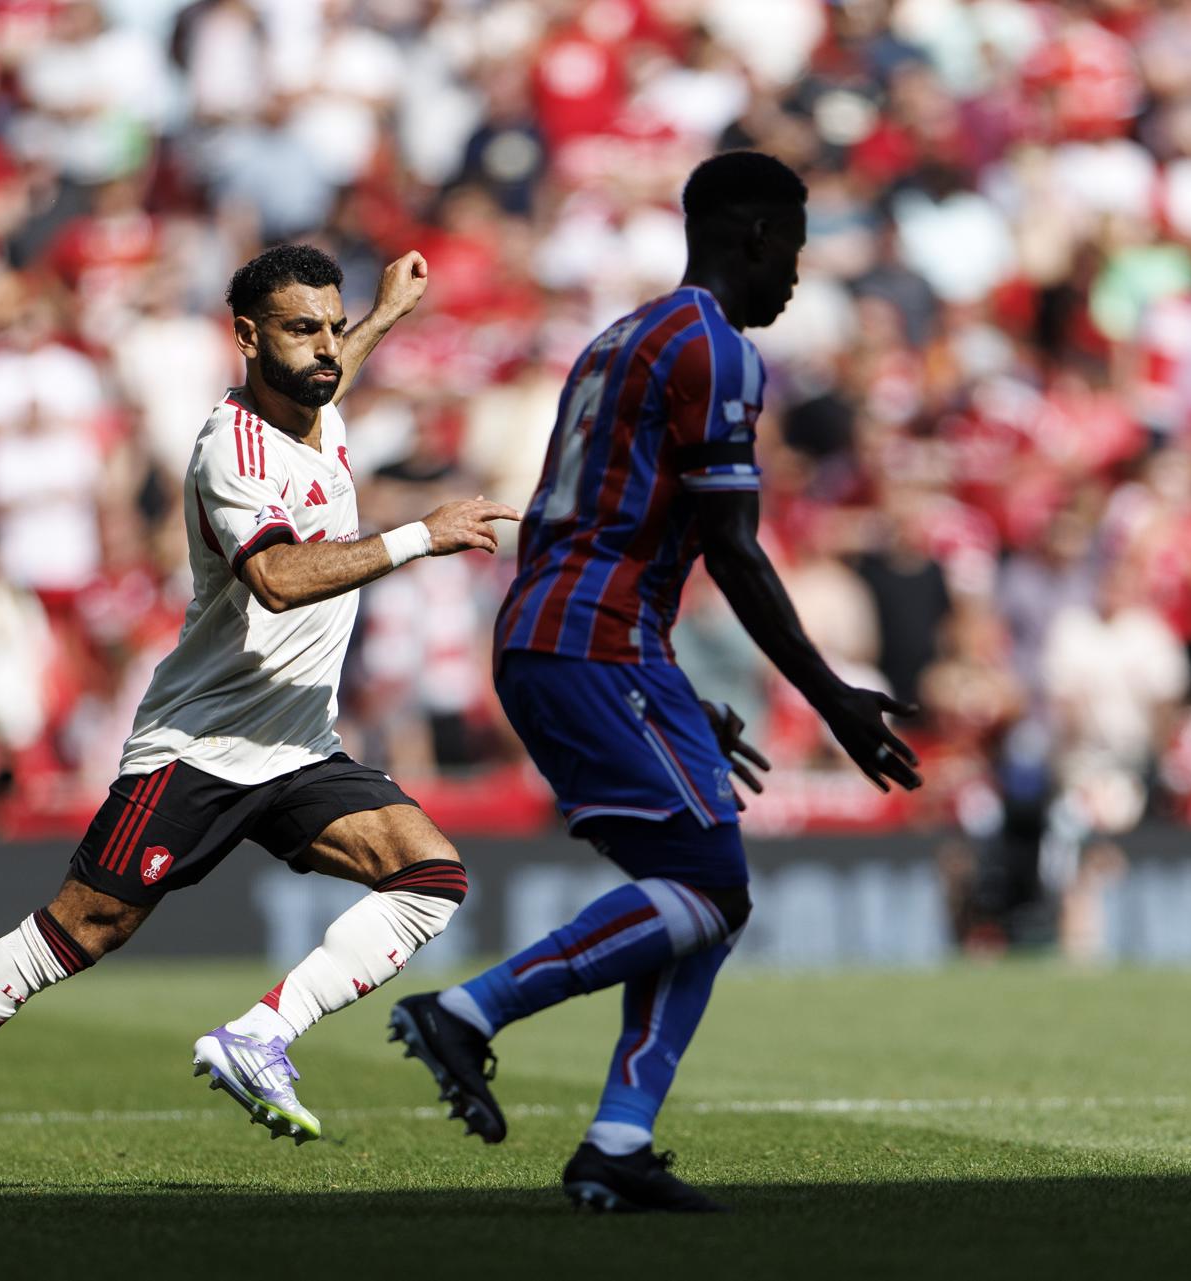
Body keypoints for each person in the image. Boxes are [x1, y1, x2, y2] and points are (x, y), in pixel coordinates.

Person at [0, 244, 520, 1194]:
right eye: (301, 328)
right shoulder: (229, 451)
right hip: (198, 748)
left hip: (296, 742)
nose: (326, 348)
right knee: (81, 928)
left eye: (332, 328)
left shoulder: (317, 395)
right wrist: (420, 534)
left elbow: (331, 365)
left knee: (429, 874)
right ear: (246, 338)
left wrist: (382, 317)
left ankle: (260, 1035)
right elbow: (280, 580)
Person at [387, 152, 922, 1213]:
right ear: (755, 236)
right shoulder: (715, 352)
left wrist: (679, 698)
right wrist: (833, 698)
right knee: (714, 888)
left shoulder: (622, 335)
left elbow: (606, 515)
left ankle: (618, 1144)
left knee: (706, 893)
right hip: (595, 639)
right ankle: (471, 1012)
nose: (798, 278)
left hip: (579, 635)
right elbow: (732, 544)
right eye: (795, 251)